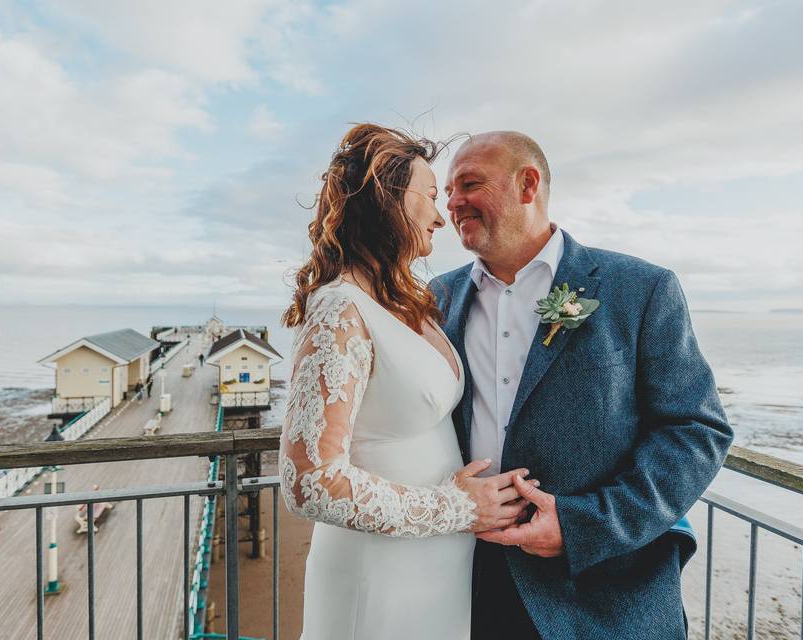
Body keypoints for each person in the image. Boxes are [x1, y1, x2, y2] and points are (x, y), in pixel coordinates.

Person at [430, 131, 734, 639]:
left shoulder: (639, 289)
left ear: (528, 184)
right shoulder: (438, 298)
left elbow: (695, 429)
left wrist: (581, 526)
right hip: (467, 580)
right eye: (447, 191)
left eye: (470, 184)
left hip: (603, 589)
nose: (453, 203)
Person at [278, 124, 535, 639]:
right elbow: (308, 482)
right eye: (432, 197)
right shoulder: (339, 308)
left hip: (434, 574)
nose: (442, 216)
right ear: (387, 202)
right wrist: (459, 506)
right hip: (377, 578)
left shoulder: (401, 302)